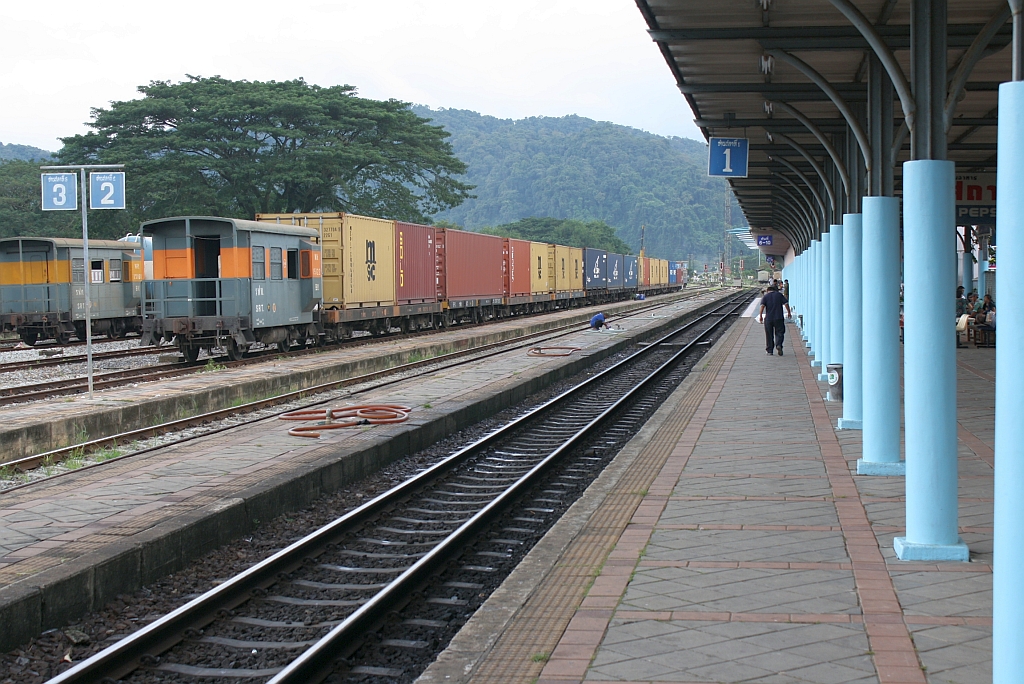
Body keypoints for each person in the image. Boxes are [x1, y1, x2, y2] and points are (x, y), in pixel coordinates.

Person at [759, 284, 791, 356]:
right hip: (779, 317)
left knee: (769, 334)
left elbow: (762, 306)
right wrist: (789, 312)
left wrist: (760, 316)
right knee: (780, 333)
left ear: (768, 291)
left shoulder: (765, 296)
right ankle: (779, 345)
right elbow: (786, 304)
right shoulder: (779, 295)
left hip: (769, 318)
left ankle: (770, 351)